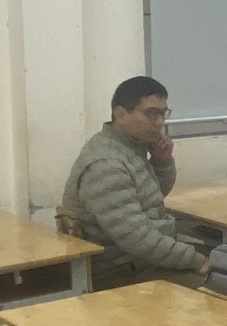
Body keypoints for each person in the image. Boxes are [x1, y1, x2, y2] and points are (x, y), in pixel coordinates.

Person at [61, 76, 208, 288]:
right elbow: (136, 238)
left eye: (163, 113)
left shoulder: (130, 146)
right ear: (120, 114)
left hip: (141, 258)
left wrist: (161, 161)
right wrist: (197, 261)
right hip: (122, 271)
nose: (160, 122)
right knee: (223, 286)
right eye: (151, 113)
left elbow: (152, 198)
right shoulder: (106, 164)